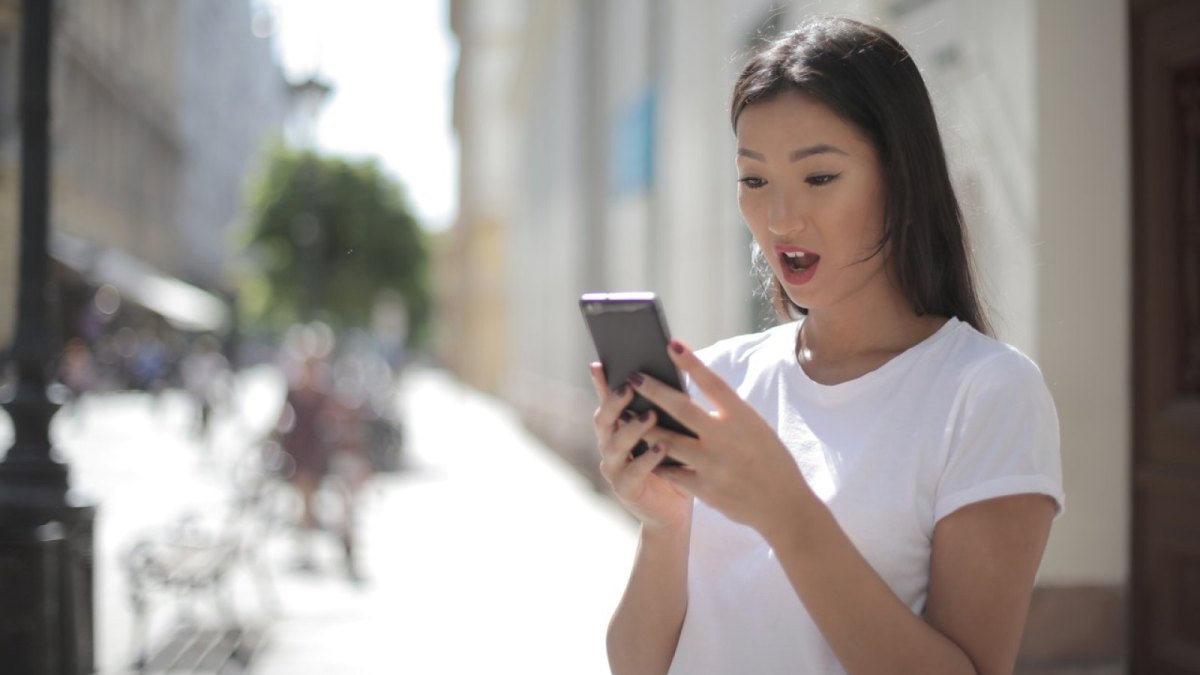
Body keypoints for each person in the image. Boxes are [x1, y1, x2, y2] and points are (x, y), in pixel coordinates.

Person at [590, 16, 1064, 675]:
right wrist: (665, 525)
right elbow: (635, 665)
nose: (780, 219)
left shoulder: (986, 393)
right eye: (754, 180)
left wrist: (788, 514)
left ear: (900, 177)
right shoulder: (720, 376)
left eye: (819, 178)